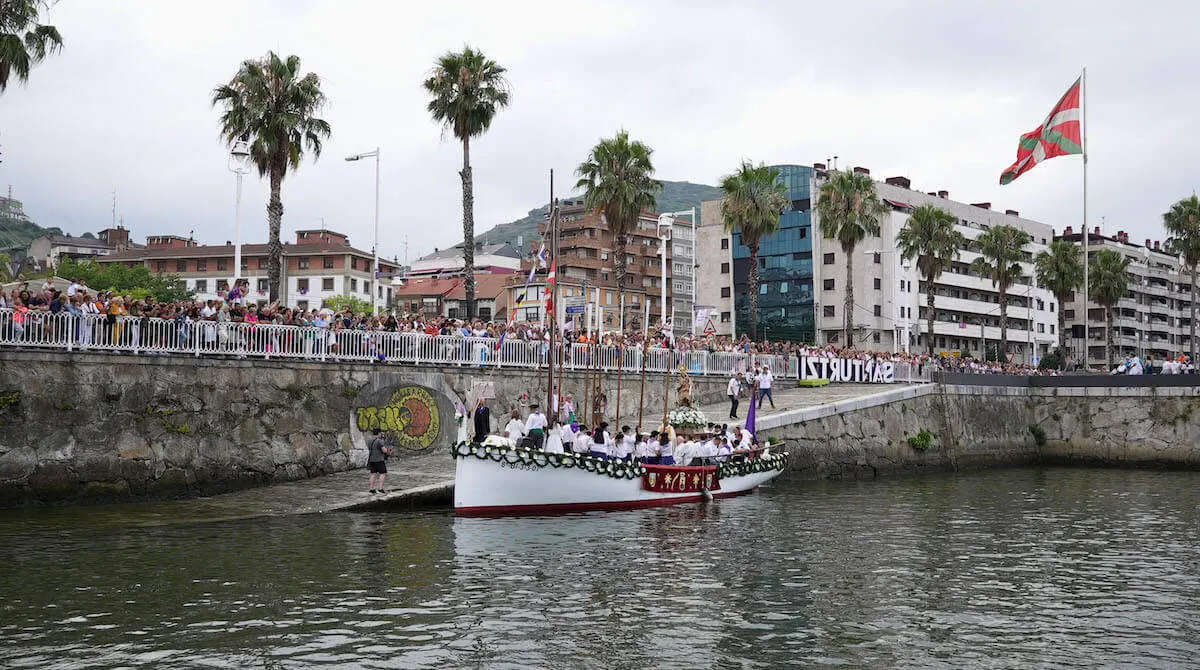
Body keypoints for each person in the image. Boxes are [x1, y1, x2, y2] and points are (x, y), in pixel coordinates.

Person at [367, 428, 390, 493]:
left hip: (371, 459)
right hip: (379, 460)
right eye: (381, 433)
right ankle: (381, 488)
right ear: (379, 433)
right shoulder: (379, 441)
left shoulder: (369, 440)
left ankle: (371, 489)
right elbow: (384, 450)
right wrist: (388, 450)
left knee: (373, 474)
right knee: (383, 473)